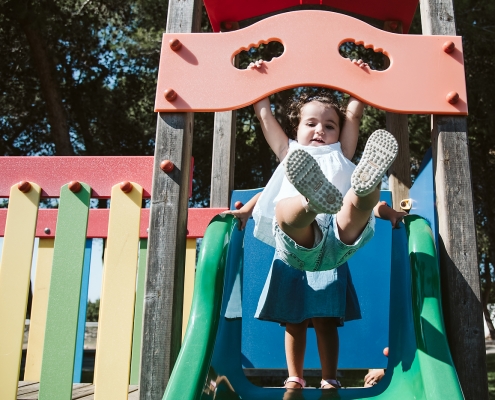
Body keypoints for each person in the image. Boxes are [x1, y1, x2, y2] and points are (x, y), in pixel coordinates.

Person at [225, 59, 406, 390]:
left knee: (355, 202)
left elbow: (353, 114)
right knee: (285, 214)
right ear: (296, 130)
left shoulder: (341, 154)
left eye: (330, 125)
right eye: (311, 123)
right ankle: (295, 378)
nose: (321, 130)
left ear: (340, 133)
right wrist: (245, 212)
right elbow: (265, 125)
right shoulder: (291, 153)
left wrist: (387, 212)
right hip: (298, 243)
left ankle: (365, 189)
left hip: (334, 238)